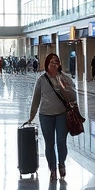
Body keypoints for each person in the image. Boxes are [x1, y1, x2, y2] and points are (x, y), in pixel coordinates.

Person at [25, 52, 76, 180]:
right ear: (47, 64)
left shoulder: (65, 78)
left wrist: (64, 87)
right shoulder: (41, 80)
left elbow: (73, 96)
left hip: (61, 114)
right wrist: (32, 116)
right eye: (51, 62)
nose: (54, 65)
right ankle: (52, 168)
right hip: (45, 115)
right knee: (49, 143)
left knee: (61, 141)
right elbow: (36, 98)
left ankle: (62, 163)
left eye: (56, 62)